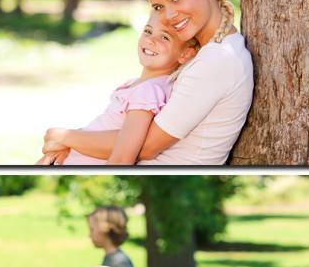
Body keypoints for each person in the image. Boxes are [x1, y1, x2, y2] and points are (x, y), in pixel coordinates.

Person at [39, 0, 253, 166]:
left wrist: (68, 138)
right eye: (159, 7)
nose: (169, 16)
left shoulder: (217, 60)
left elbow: (146, 146)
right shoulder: (210, 52)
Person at [39, 17, 198, 166]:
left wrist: (63, 137)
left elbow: (123, 157)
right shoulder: (141, 86)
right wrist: (66, 142)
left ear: (186, 54)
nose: (150, 40)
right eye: (148, 31)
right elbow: (103, 130)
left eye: (165, 37)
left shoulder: (147, 91)